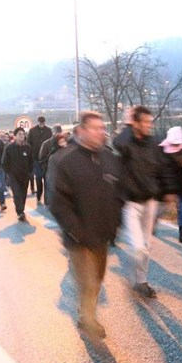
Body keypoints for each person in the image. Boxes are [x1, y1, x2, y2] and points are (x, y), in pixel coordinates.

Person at [50, 111, 124, 339]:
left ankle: (85, 312)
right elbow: (55, 200)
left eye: (102, 128)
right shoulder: (63, 160)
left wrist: (116, 223)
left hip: (103, 235)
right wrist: (76, 231)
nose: (100, 132)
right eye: (94, 128)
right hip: (78, 238)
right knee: (89, 283)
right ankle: (88, 320)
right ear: (80, 131)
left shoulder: (109, 158)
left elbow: (120, 192)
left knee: (98, 280)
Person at [113, 105, 165, 298]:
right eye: (144, 122)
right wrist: (128, 125)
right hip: (132, 204)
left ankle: (141, 282)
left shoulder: (153, 143)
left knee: (147, 246)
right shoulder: (127, 143)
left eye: (150, 122)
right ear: (135, 123)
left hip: (150, 202)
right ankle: (134, 274)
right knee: (139, 247)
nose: (149, 126)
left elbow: (161, 167)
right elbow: (117, 142)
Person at [157, 126, 182, 246]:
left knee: (181, 212)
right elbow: (160, 171)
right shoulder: (161, 151)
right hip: (165, 189)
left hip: (179, 188)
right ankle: (151, 224)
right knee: (159, 210)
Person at [2, 127, 33, 221]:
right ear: (15, 136)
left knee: (23, 194)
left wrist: (29, 172)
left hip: (25, 176)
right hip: (13, 176)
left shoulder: (27, 147)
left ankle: (21, 209)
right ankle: (19, 212)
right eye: (19, 134)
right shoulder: (9, 148)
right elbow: (4, 162)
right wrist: (9, 173)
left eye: (23, 134)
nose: (21, 136)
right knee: (17, 193)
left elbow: (31, 161)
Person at [28, 116, 53, 204]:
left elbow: (51, 143)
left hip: (46, 159)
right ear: (37, 122)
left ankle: (47, 199)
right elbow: (28, 144)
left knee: (47, 180)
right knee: (38, 179)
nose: (41, 125)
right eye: (40, 123)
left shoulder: (49, 130)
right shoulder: (32, 131)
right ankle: (38, 196)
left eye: (43, 123)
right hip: (36, 159)